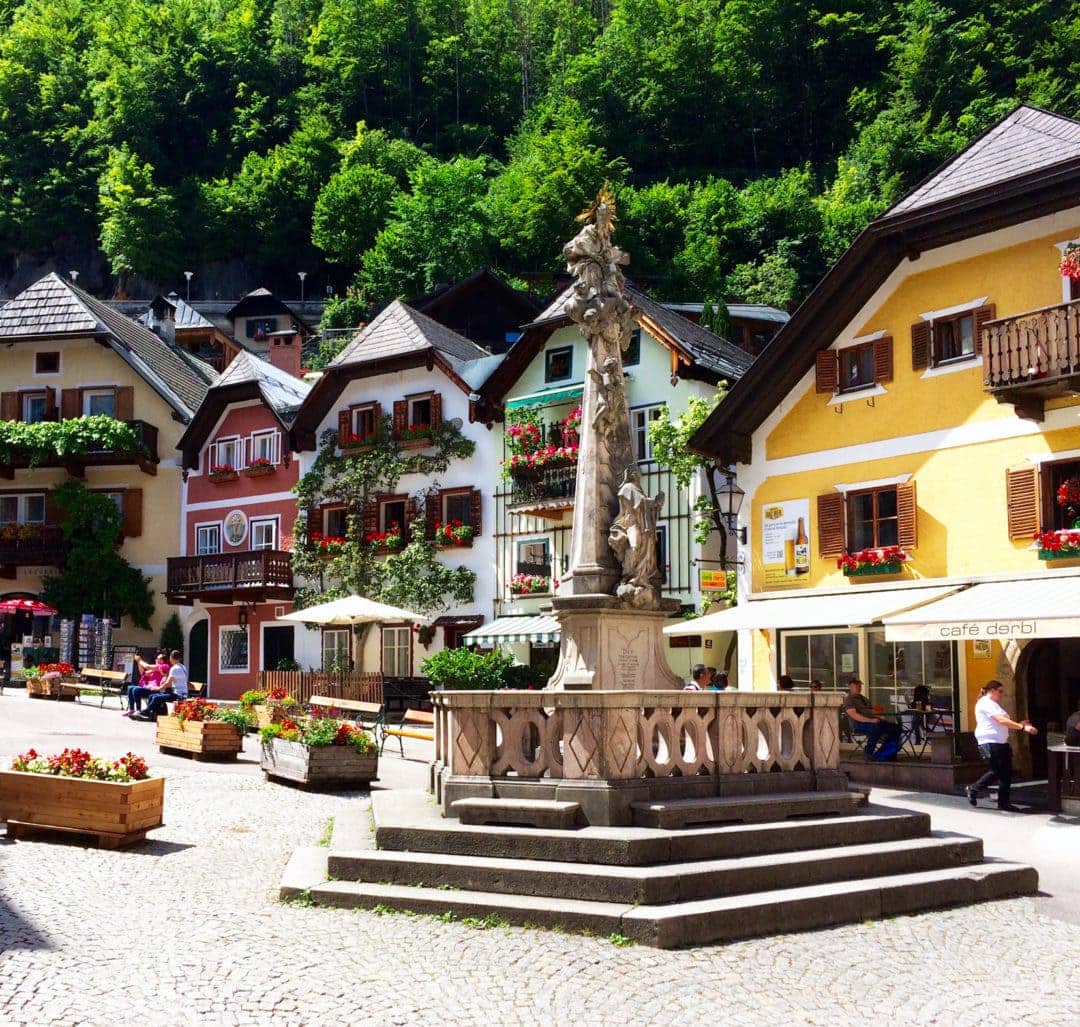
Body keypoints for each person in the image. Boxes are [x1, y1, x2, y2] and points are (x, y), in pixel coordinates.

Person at [968, 680, 1037, 811]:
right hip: (990, 741)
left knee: (1005, 773)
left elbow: (1002, 722)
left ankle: (1003, 802)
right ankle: (973, 789)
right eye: (1000, 691)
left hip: (1000, 741)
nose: (1001, 694)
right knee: (997, 771)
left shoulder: (992, 704)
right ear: (992, 690)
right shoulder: (985, 703)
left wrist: (1019, 724)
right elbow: (1000, 720)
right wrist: (1021, 727)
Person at [843, 677, 901, 760]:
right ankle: (868, 752)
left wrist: (879, 716)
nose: (859, 688)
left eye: (860, 686)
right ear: (850, 687)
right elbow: (854, 715)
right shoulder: (849, 700)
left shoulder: (863, 698)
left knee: (895, 727)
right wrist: (871, 720)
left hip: (872, 721)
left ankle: (888, 752)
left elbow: (871, 711)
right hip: (858, 724)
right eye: (856, 686)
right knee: (876, 726)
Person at [134, 651, 188, 721]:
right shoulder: (183, 667)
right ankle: (153, 715)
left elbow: (168, 683)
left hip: (178, 695)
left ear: (171, 658)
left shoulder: (174, 668)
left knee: (157, 698)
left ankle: (145, 713)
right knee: (152, 696)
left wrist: (158, 688)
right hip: (181, 693)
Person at [124, 652, 168, 717]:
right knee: (130, 687)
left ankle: (138, 711)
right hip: (148, 687)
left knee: (136, 690)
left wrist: (139, 660)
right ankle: (132, 710)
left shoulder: (163, 666)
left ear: (162, 661)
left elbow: (147, 666)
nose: (156, 660)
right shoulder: (155, 669)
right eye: (156, 658)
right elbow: (143, 673)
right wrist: (138, 662)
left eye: (158, 659)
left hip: (155, 689)